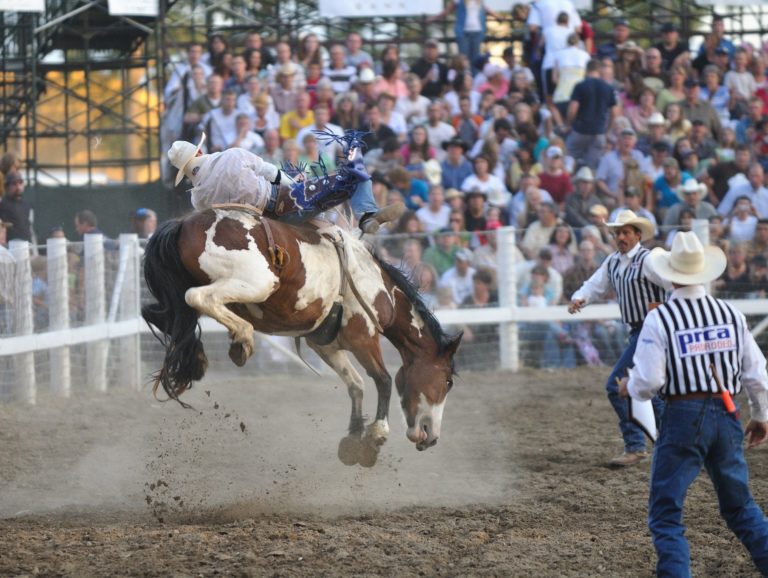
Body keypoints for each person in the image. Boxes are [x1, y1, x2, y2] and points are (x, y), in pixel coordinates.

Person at [620, 231, 768, 577]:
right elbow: (757, 375)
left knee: (666, 512)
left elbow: (650, 381)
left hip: (683, 416)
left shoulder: (660, 318)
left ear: (671, 274)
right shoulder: (731, 314)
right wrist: (761, 416)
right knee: (740, 506)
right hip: (727, 412)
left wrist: (631, 388)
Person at [568, 209, 671, 466]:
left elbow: (674, 285)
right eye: (617, 233)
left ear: (638, 235)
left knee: (617, 385)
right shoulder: (613, 261)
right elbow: (595, 284)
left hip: (652, 330)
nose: (621, 237)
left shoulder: (648, 260)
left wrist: (668, 311)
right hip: (639, 332)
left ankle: (637, 446)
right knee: (652, 391)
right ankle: (671, 444)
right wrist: (580, 298)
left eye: (626, 232)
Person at [167, 132, 404, 234]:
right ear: (198, 151)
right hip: (282, 204)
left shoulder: (197, 197)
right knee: (354, 171)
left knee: (326, 229)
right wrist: (297, 187)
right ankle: (366, 216)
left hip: (255, 224)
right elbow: (271, 172)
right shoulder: (232, 155)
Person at [566, 58, 619, 172]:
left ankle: (569, 186)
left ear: (586, 70)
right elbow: (614, 113)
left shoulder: (580, 86)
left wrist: (569, 124)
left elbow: (572, 110)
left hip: (580, 130)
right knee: (592, 168)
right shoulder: (608, 87)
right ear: (599, 71)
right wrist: (607, 130)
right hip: (598, 132)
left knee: (570, 160)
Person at [0, 170, 35, 244]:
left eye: (20, 182)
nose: (18, 186)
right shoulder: (2, 204)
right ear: (7, 186)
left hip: (27, 247)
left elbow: (30, 228)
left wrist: (33, 249)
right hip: (8, 249)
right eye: (14, 184)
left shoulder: (27, 204)